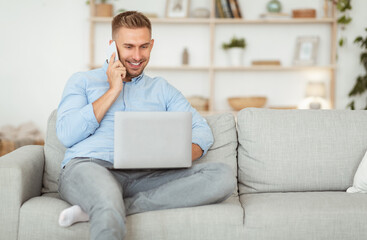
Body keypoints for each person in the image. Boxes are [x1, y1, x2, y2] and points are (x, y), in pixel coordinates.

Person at [56, 11, 235, 240]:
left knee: (221, 176)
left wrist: (175, 156)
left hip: (145, 175)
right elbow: (66, 134)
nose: (137, 56)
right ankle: (105, 204)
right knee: (105, 195)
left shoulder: (161, 89)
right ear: (112, 46)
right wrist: (113, 90)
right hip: (89, 167)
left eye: (144, 47)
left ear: (152, 45)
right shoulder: (82, 81)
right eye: (128, 46)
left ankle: (106, 208)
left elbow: (201, 130)